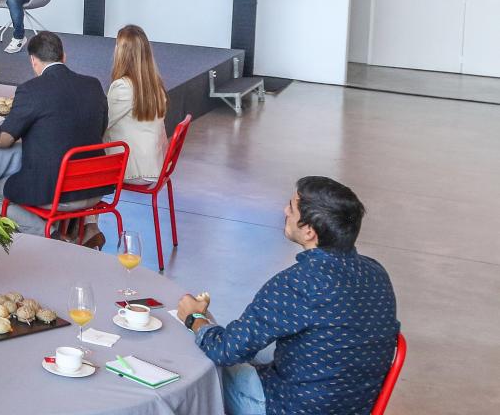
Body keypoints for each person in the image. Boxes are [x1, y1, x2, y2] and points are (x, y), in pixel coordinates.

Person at [181, 177, 398, 415]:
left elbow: (226, 350)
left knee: (202, 370)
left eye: (291, 208)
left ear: (309, 232)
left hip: (285, 407)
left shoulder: (298, 282)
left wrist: (195, 318)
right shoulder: (376, 272)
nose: (285, 210)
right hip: (354, 405)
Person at [0, 32, 108, 245]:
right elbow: (100, 129)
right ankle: (77, 230)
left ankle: (52, 235)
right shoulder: (93, 85)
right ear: (64, 56)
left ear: (33, 61)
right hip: (96, 187)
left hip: (59, 193)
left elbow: (3, 140)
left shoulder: (31, 90)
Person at [106, 24, 169, 182]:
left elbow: (102, 123)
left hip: (133, 169)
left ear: (122, 53)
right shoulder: (156, 85)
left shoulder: (122, 87)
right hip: (155, 166)